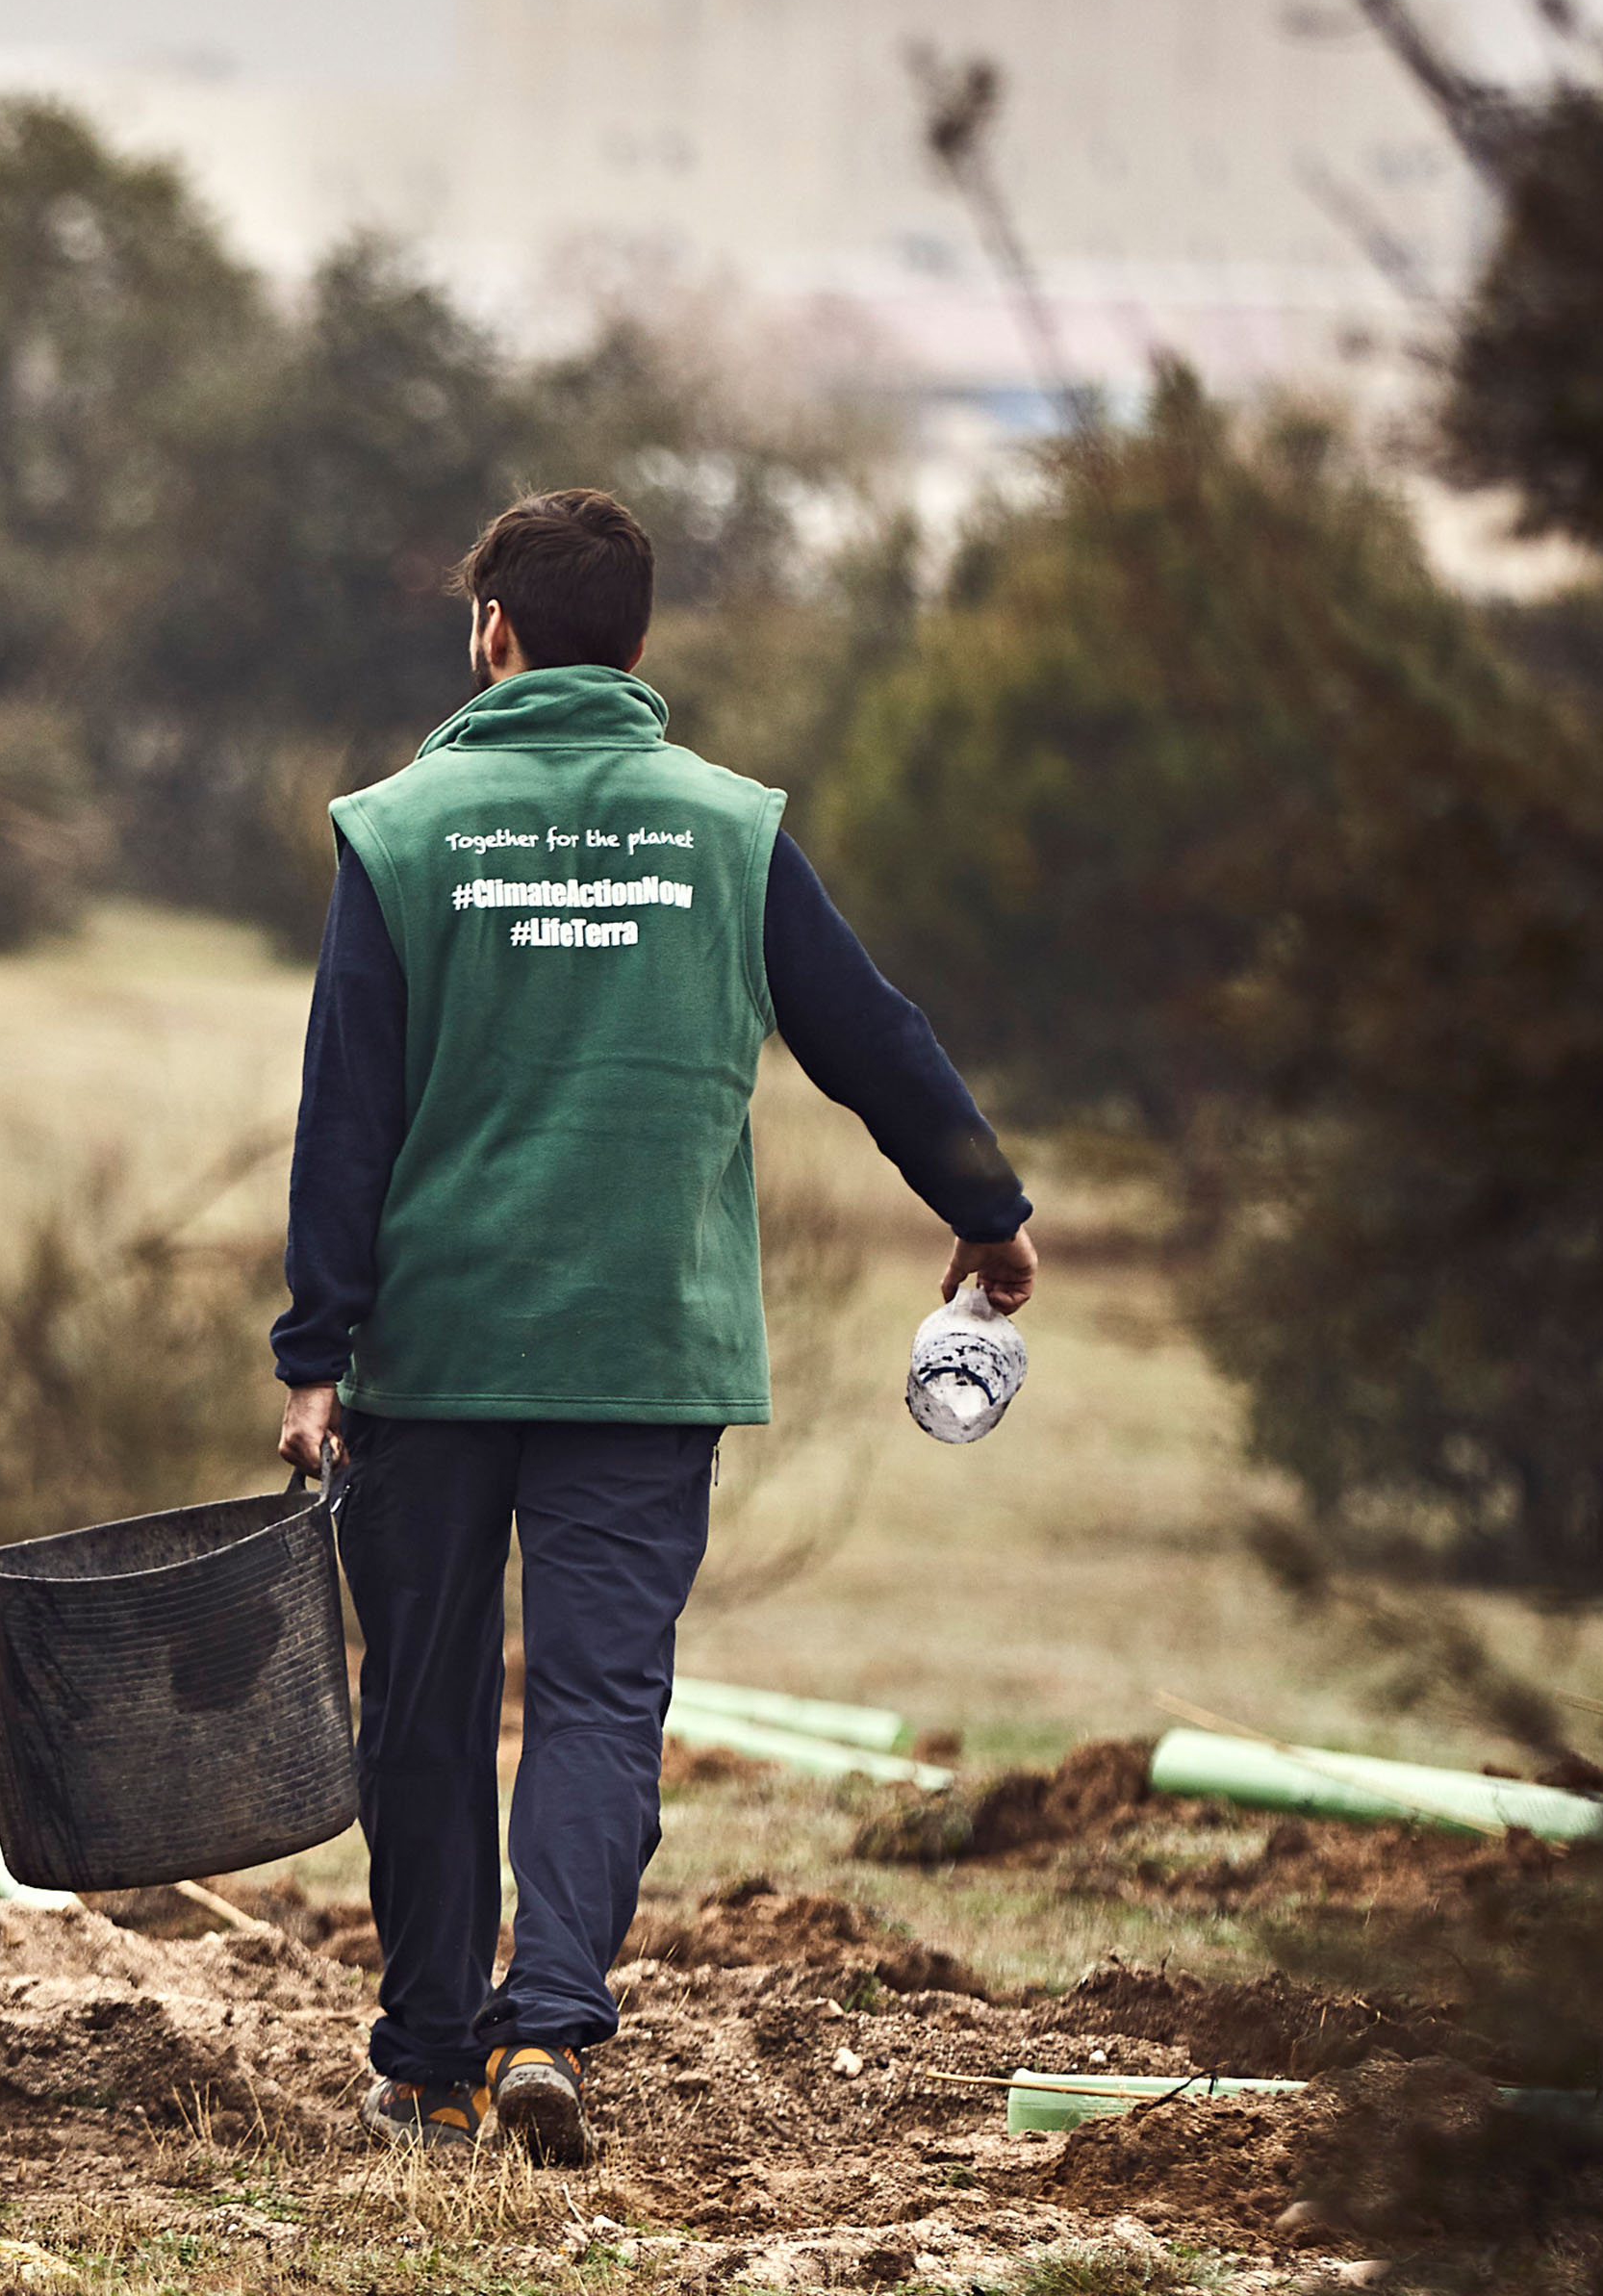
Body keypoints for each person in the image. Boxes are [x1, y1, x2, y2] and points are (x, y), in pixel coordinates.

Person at [273, 490, 1036, 2165]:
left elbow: (347, 1110)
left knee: (424, 1700)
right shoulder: (729, 829)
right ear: (637, 642)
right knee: (603, 1702)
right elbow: (872, 1037)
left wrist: (314, 1352)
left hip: (437, 1353)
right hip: (643, 1348)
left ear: (494, 633)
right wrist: (985, 1208)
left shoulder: (400, 829)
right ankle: (554, 2019)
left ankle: (430, 2062)